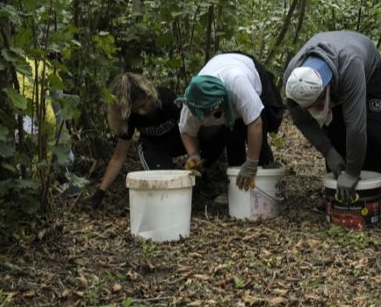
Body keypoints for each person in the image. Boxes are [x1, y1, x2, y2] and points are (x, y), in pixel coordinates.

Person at [89, 72, 226, 209]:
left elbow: (190, 129)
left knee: (214, 133)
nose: (141, 112)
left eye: (143, 106)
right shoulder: (130, 116)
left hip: (179, 140)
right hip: (154, 147)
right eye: (136, 110)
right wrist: (101, 191)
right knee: (163, 182)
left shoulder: (166, 98)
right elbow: (119, 157)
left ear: (149, 95)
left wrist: (194, 157)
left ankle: (204, 175)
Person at [284, 31, 381, 204]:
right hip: (334, 78)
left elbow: (356, 126)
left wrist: (353, 173)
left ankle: (367, 195)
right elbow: (302, 120)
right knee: (336, 135)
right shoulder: (293, 80)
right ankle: (337, 195)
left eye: (315, 104)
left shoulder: (350, 65)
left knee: (376, 137)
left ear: (325, 90)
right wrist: (328, 151)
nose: (311, 110)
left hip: (365, 69)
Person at [176, 52, 284, 193]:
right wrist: (194, 155)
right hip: (220, 67)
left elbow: (255, 123)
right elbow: (186, 131)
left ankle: (268, 182)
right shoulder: (191, 101)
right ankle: (236, 188)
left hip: (248, 69)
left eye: (208, 112)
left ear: (219, 102)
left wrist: (251, 163)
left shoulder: (238, 83)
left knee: (259, 134)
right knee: (230, 134)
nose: (204, 116)